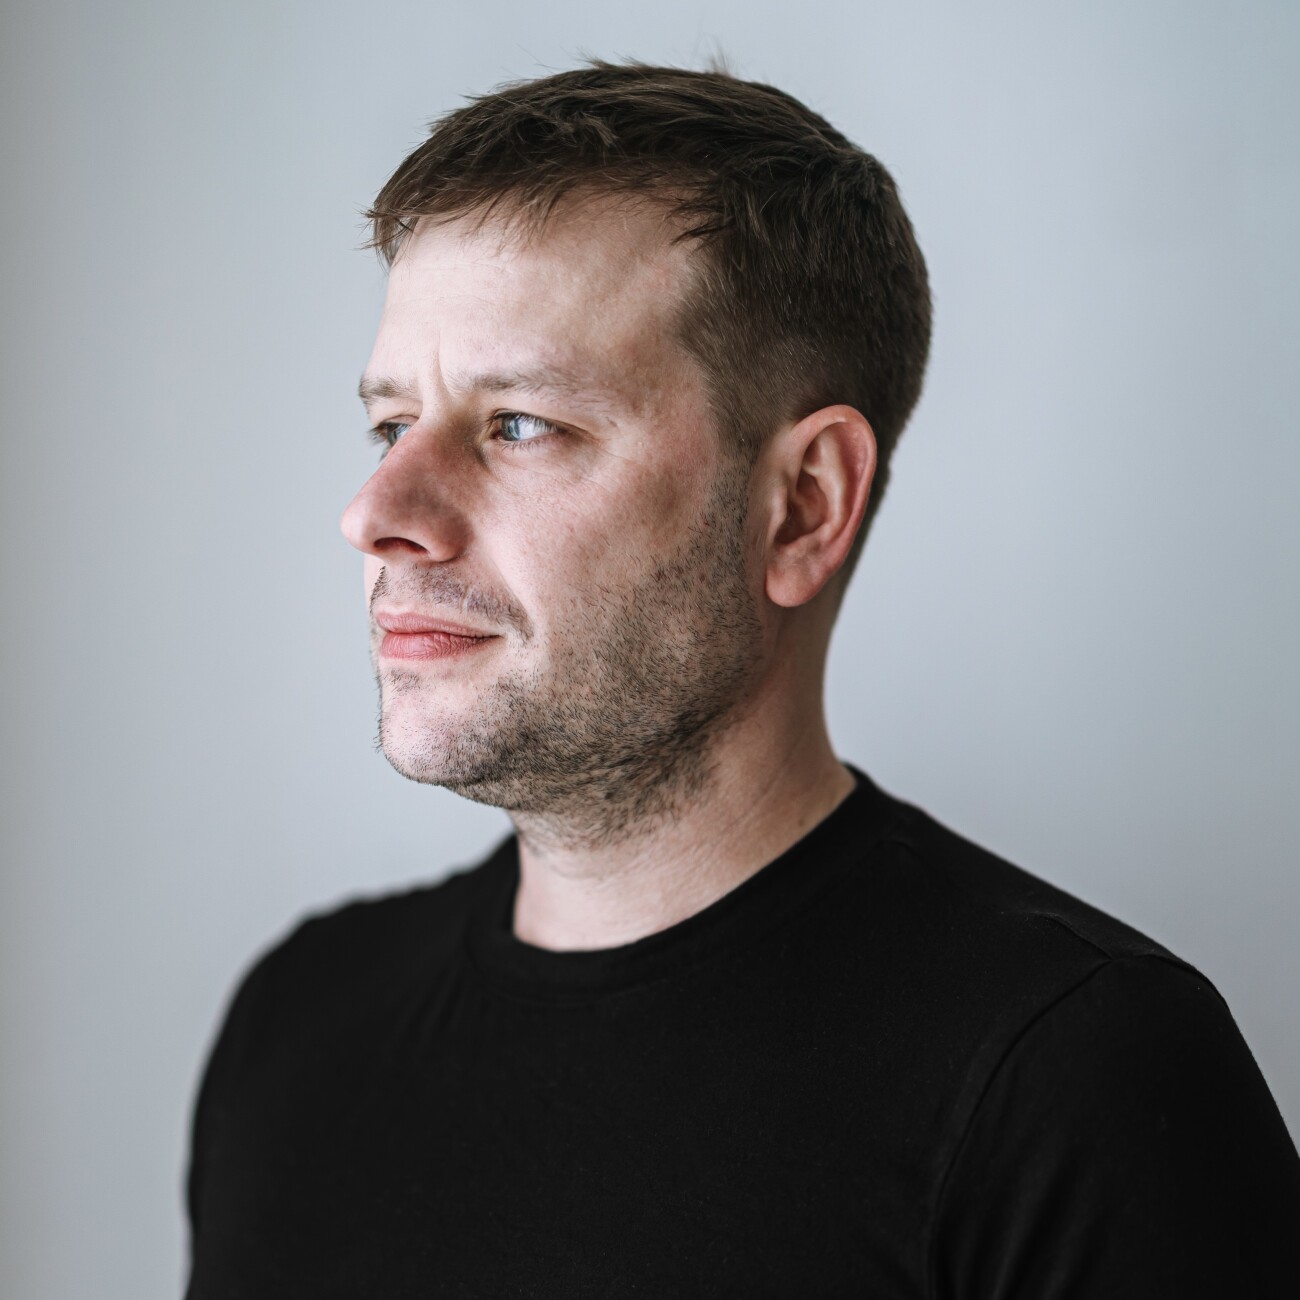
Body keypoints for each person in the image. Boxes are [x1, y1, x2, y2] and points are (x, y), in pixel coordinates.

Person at [184, 61, 1300, 1297]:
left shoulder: (1076, 1082)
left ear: (802, 506)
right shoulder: (298, 1025)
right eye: (392, 423)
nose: (376, 512)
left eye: (520, 424)